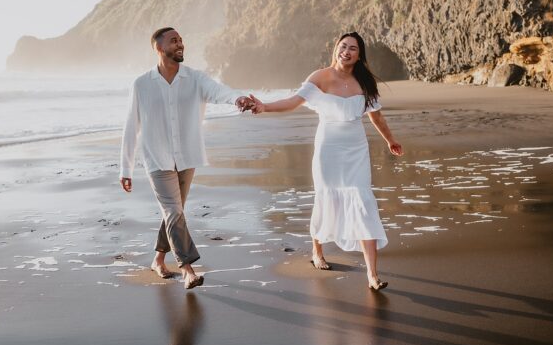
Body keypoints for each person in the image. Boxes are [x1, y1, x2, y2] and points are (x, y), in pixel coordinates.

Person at [252, 31, 402, 291]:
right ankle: (317, 250)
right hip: (328, 148)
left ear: (359, 55)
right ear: (335, 49)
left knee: (363, 201)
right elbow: (293, 102)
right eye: (343, 46)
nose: (347, 51)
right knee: (326, 197)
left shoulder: (364, 82)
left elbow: (376, 117)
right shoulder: (319, 77)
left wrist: (390, 140)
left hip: (356, 149)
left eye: (353, 48)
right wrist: (264, 107)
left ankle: (372, 275)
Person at [120, 27, 257, 289]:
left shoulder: (196, 79)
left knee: (175, 212)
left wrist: (238, 98)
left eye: (181, 40)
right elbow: (131, 126)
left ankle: (159, 260)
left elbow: (219, 91)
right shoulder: (141, 84)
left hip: (187, 156)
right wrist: (125, 168)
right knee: (173, 211)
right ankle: (187, 269)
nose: (180, 44)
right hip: (157, 159)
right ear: (159, 48)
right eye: (174, 41)